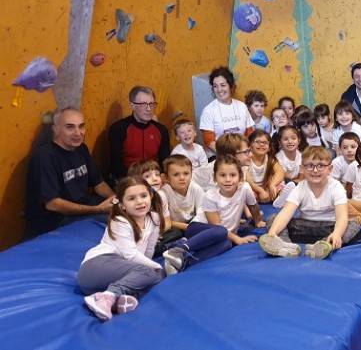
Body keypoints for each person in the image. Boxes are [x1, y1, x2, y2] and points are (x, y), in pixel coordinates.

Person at [78, 176, 164, 321]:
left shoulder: (154, 219)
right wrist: (157, 267)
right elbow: (130, 255)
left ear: (150, 195)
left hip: (113, 279)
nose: (139, 202)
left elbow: (148, 251)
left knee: (155, 277)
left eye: (143, 196)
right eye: (131, 199)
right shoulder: (119, 221)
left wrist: (154, 272)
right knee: (152, 272)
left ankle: (117, 299)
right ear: (122, 204)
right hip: (94, 268)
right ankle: (107, 297)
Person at [25, 107, 114, 239]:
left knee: (127, 215)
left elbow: (98, 183)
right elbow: (53, 204)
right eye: (70, 127)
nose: (78, 133)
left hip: (84, 210)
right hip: (56, 220)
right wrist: (97, 209)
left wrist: (118, 199)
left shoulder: (81, 148)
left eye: (81, 126)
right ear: (56, 129)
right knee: (114, 226)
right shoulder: (44, 156)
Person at [259, 146, 361, 259]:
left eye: (321, 166)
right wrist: (272, 233)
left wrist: (337, 234)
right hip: (303, 227)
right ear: (302, 169)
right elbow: (286, 212)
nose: (315, 170)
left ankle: (324, 245)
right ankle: (285, 245)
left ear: (330, 169)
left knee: (354, 224)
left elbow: (342, 216)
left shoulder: (336, 187)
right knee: (273, 218)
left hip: (329, 228)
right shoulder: (300, 188)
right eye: (310, 166)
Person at [158, 155, 231, 275]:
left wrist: (190, 227)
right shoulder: (163, 193)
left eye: (186, 173)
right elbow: (166, 222)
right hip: (177, 231)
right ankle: (179, 249)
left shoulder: (195, 188)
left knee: (226, 244)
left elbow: (202, 214)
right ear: (166, 177)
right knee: (222, 231)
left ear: (191, 174)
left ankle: (185, 261)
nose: (182, 178)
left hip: (192, 227)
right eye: (176, 175)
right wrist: (185, 227)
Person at [199, 155, 265, 246]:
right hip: (204, 230)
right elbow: (216, 228)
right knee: (225, 244)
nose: (228, 180)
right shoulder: (210, 196)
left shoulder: (244, 188)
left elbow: (253, 206)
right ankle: (183, 247)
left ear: (240, 177)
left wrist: (258, 221)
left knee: (227, 244)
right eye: (222, 175)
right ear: (214, 177)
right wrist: (238, 239)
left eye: (233, 175)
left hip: (228, 234)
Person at [109, 86, 170, 181]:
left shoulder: (161, 130)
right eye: (143, 104)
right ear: (132, 105)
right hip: (127, 179)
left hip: (154, 179)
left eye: (152, 104)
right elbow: (115, 165)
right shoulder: (118, 129)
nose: (149, 109)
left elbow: (165, 161)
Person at [199, 66, 255, 157]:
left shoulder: (242, 106)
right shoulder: (208, 111)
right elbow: (209, 141)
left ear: (231, 86)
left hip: (242, 155)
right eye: (215, 86)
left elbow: (250, 134)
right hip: (218, 157)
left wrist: (243, 153)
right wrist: (231, 155)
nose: (219, 90)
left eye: (223, 85)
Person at [247, 130, 285, 203]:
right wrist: (260, 191)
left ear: (269, 148)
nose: (261, 145)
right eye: (257, 142)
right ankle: (256, 202)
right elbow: (248, 180)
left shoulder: (270, 159)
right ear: (250, 145)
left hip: (267, 188)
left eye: (265, 143)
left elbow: (280, 172)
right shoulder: (247, 159)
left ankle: (280, 199)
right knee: (246, 189)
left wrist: (272, 185)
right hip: (254, 188)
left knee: (281, 182)